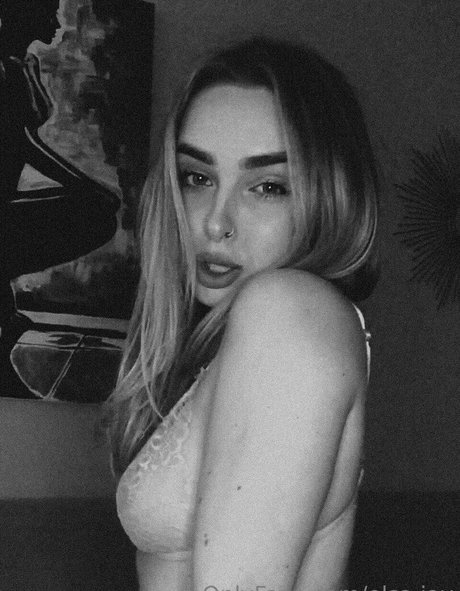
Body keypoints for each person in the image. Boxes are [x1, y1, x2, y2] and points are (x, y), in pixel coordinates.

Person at [106, 37, 378, 590]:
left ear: (328, 196)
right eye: (197, 177)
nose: (215, 221)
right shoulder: (252, 332)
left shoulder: (288, 312)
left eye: (268, 187)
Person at [0, 0, 119, 397]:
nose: (55, 20)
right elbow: (24, 143)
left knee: (98, 212)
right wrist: (84, 185)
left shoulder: (21, 65)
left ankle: (6, 320)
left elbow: (28, 133)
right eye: (47, 12)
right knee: (95, 211)